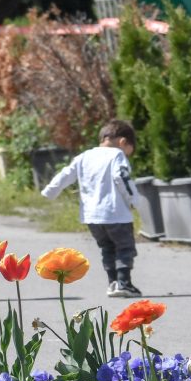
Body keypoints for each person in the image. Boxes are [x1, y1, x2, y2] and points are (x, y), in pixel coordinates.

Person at [41, 120, 140, 298]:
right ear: (123, 142)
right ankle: (124, 283)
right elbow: (121, 177)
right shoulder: (117, 155)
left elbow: (66, 174)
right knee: (125, 248)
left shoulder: (84, 156)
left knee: (107, 248)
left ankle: (112, 283)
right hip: (115, 213)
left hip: (92, 216)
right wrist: (134, 200)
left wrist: (50, 191)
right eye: (129, 151)